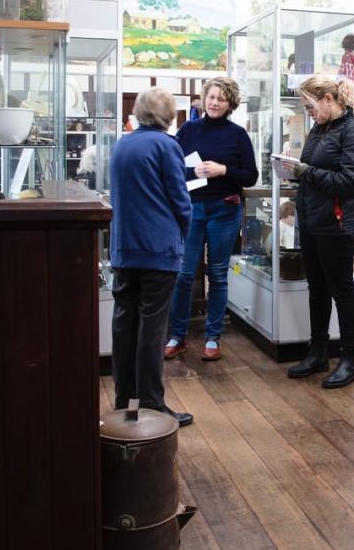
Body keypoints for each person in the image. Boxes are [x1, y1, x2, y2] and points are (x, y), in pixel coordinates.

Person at [109, 87, 193, 426]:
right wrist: (182, 234)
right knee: (153, 327)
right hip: (159, 249)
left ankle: (122, 399)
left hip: (124, 248)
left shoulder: (122, 143)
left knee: (124, 323)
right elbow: (180, 199)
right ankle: (152, 404)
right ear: (169, 116)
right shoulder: (166, 145)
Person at [287, 75, 354, 388]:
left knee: (341, 290)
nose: (308, 111)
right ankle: (318, 352)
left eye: (310, 105)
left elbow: (352, 183)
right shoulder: (320, 128)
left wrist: (307, 173)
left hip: (338, 224)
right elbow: (313, 170)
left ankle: (349, 360)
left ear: (328, 98)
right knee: (317, 288)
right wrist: (295, 173)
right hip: (312, 221)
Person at [165, 77, 258, 362]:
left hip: (224, 210)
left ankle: (212, 338)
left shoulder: (238, 134)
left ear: (230, 103)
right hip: (191, 209)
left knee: (217, 275)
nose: (214, 102)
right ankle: (177, 336)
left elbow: (250, 176)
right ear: (204, 99)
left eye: (221, 98)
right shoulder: (188, 129)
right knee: (183, 275)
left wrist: (223, 170)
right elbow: (172, 166)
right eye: (211, 97)